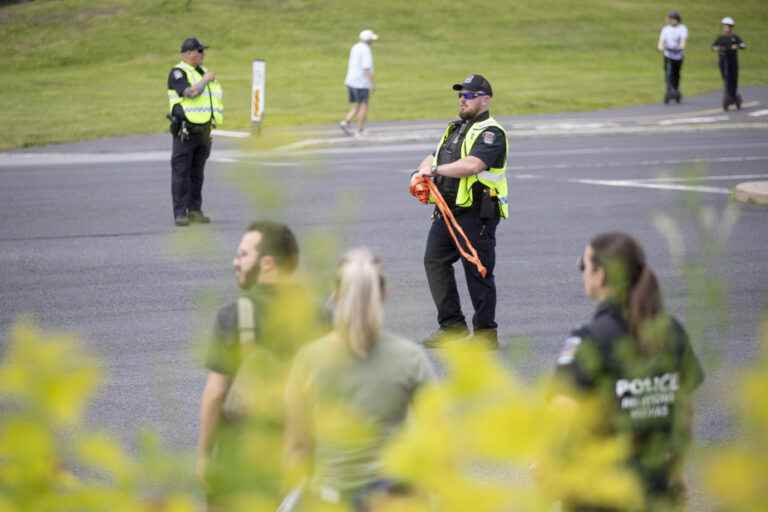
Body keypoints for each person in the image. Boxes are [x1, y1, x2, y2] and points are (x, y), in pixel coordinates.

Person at [553, 232, 704, 510]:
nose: (583, 273)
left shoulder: (590, 340)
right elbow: (684, 414)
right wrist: (676, 472)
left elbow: (563, 418)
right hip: (657, 489)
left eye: (584, 266)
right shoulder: (672, 332)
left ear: (599, 276)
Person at [284, 248, 435, 511]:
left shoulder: (309, 359)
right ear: (384, 294)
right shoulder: (411, 359)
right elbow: (437, 438)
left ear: (335, 295)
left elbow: (298, 447)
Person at [196, 221, 324, 507]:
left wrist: (204, 456)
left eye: (243, 255)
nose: (236, 262)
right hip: (301, 459)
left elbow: (216, 392)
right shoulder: (319, 316)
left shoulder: (234, 315)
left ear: (267, 263)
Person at [413, 74, 509, 349]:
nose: (462, 99)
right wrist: (421, 171)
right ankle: (452, 327)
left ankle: (485, 334)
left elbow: (473, 165)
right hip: (447, 211)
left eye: (468, 95)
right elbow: (434, 155)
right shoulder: (455, 129)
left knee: (477, 272)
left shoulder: (492, 133)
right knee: (434, 261)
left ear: (485, 99)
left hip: (477, 213)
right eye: (460, 95)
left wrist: (435, 170)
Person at [167, 37, 223, 227]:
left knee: (197, 174)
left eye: (202, 51)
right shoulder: (178, 72)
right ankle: (180, 213)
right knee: (181, 173)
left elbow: (212, 101)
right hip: (186, 131)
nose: (202, 54)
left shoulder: (204, 72)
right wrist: (205, 81)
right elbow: (190, 93)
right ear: (188, 53)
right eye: (199, 51)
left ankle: (195, 210)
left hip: (204, 131)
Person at [339, 29, 378, 139]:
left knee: (357, 105)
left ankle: (345, 122)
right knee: (364, 106)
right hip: (361, 83)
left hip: (351, 80)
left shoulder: (355, 47)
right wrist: (371, 83)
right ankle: (360, 130)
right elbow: (366, 68)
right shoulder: (366, 50)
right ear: (369, 40)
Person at [712, 17, 747, 111]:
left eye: (727, 26)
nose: (726, 28)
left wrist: (737, 46)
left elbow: (743, 45)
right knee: (726, 78)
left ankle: (733, 95)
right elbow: (713, 46)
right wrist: (717, 48)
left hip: (733, 61)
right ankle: (728, 95)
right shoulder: (721, 38)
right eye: (724, 26)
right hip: (723, 61)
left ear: (731, 27)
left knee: (733, 79)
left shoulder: (735, 37)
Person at [657, 11, 687, 104]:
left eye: (673, 19)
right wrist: (660, 47)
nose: (671, 21)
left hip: (678, 55)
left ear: (677, 19)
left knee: (676, 74)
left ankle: (676, 89)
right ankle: (669, 90)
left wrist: (681, 46)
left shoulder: (682, 28)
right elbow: (661, 40)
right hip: (668, 55)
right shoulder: (666, 29)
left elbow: (683, 40)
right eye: (670, 19)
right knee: (668, 73)